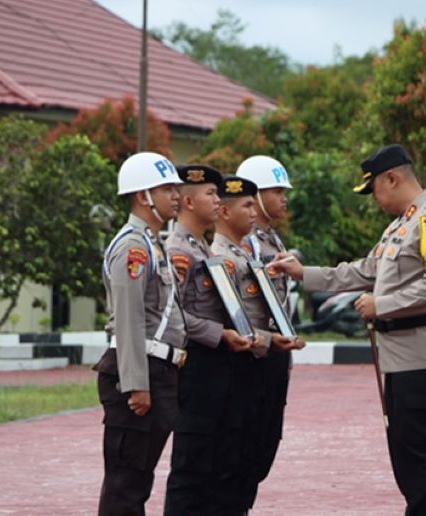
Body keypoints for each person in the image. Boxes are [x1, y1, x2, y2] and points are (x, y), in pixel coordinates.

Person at [270, 144, 426, 516]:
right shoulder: (401, 225)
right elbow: (364, 271)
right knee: (405, 451)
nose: (374, 200)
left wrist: (383, 305)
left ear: (392, 178)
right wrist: (305, 273)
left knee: (418, 453)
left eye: (374, 189)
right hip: (405, 357)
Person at [164, 165, 264, 516]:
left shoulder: (204, 249)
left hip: (219, 366)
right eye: (210, 194)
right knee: (191, 465)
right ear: (188, 201)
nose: (218, 200)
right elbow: (172, 312)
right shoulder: (178, 249)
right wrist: (218, 334)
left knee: (215, 461)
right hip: (197, 364)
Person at [95, 151, 186, 516]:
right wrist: (136, 384)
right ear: (141, 195)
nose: (176, 196)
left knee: (138, 480)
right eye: (166, 189)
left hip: (158, 369)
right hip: (138, 371)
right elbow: (129, 320)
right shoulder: (134, 247)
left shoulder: (152, 243)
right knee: (125, 484)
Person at [211, 175, 304, 511]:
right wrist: (268, 340)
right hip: (246, 359)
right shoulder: (223, 254)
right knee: (234, 457)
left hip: (269, 354)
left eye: (254, 203)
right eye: (247, 204)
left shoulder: (262, 246)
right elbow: (227, 317)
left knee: (259, 450)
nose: (253, 212)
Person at [235, 156, 299, 508]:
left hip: (276, 353)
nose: (284, 197)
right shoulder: (245, 243)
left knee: (266, 442)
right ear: (256, 195)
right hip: (256, 354)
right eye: (277, 190)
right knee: (248, 446)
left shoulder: (271, 239)